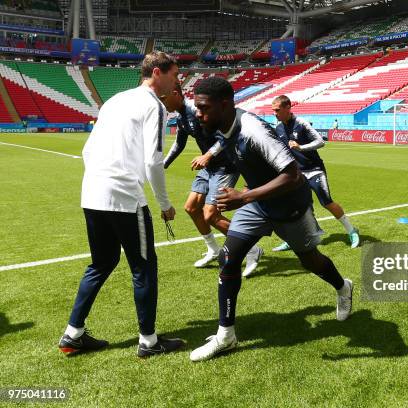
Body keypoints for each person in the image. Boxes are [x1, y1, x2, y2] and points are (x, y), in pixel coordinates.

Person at [188, 77, 353, 362]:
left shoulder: (253, 131)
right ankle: (226, 335)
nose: (198, 114)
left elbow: (293, 176)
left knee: (309, 260)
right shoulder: (224, 128)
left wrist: (244, 197)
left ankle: (343, 287)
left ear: (224, 104)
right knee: (229, 258)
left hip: (289, 204)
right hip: (257, 204)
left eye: (203, 108)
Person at [58, 51, 185, 358]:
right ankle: (149, 341)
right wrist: (165, 203)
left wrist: (100, 179)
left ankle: (72, 334)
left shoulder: (115, 100)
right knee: (143, 268)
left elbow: (89, 150)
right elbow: (153, 161)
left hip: (92, 192)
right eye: (174, 74)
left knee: (101, 263)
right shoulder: (154, 105)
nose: (177, 80)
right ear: (157, 72)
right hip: (126, 197)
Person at [162, 84, 263, 277]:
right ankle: (214, 250)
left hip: (226, 166)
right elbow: (179, 144)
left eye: (164, 97)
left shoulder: (197, 110)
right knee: (191, 207)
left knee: (210, 215)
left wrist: (208, 155)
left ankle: (253, 249)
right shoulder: (181, 116)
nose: (162, 102)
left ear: (175, 94)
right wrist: (163, 164)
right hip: (209, 167)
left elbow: (227, 135)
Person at [270, 95, 359, 252]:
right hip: (297, 174)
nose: (274, 113)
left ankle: (352, 231)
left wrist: (301, 147)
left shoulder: (301, 123)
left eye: (277, 110)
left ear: (288, 107)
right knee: (296, 207)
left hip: (314, 170)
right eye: (273, 111)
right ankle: (294, 239)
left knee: (326, 202)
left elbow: (321, 141)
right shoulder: (278, 128)